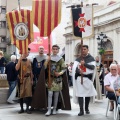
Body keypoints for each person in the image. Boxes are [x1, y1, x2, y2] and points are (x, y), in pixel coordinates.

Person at [45, 44, 71, 116]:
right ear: (52, 50)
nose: (55, 50)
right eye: (54, 49)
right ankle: (49, 109)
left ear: (58, 50)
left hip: (58, 79)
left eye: (56, 49)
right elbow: (44, 67)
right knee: (50, 94)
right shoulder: (49, 58)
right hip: (50, 79)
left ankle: (54, 109)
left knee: (56, 94)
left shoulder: (61, 59)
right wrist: (47, 61)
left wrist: (59, 73)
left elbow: (64, 68)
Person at [72, 45, 97, 116]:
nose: (83, 50)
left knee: (87, 95)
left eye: (84, 49)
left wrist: (84, 64)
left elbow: (92, 67)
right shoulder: (78, 59)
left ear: (87, 50)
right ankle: (81, 110)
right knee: (80, 94)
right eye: (82, 49)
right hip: (79, 79)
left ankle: (86, 108)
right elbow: (74, 68)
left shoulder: (91, 58)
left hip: (87, 78)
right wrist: (78, 71)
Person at [15, 48, 33, 114]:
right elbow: (17, 68)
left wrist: (31, 79)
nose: (28, 53)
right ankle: (21, 108)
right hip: (21, 79)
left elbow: (31, 71)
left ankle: (27, 108)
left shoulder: (29, 60)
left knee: (28, 94)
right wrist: (20, 59)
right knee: (21, 94)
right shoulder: (19, 60)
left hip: (28, 78)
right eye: (27, 52)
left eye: (29, 52)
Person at [30, 46, 46, 110]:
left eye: (42, 49)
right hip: (35, 77)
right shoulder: (34, 58)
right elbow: (32, 67)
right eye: (40, 49)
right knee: (34, 91)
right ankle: (33, 105)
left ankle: (42, 105)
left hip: (43, 77)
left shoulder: (45, 58)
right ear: (38, 50)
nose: (41, 50)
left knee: (42, 91)